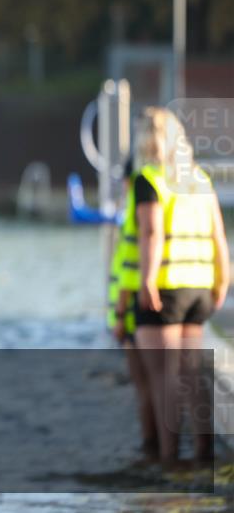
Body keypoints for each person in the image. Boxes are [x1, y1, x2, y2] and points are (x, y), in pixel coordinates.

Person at [132, 107, 229, 468]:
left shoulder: (149, 179)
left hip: (166, 288)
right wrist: (223, 279)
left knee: (163, 377)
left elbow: (151, 232)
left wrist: (146, 280)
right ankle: (204, 453)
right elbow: (219, 233)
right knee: (192, 373)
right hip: (200, 288)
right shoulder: (199, 179)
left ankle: (169, 458)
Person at [111, 158, 157, 461]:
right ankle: (158, 449)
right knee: (158, 384)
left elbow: (129, 269)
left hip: (131, 317)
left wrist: (118, 315)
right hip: (140, 312)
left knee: (145, 387)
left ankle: (151, 447)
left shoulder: (134, 215)